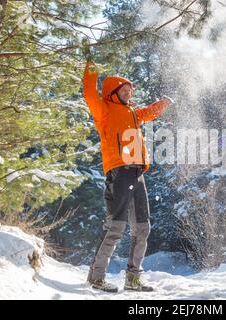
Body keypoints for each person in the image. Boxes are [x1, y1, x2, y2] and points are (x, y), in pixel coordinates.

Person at [82, 51, 171, 292]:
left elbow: (146, 113)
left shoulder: (133, 113)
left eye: (130, 91)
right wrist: (93, 65)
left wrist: (162, 105)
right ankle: (96, 276)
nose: (128, 93)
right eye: (124, 90)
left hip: (137, 174)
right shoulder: (104, 111)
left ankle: (133, 278)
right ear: (112, 91)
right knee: (116, 227)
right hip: (118, 173)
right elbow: (89, 92)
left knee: (143, 227)